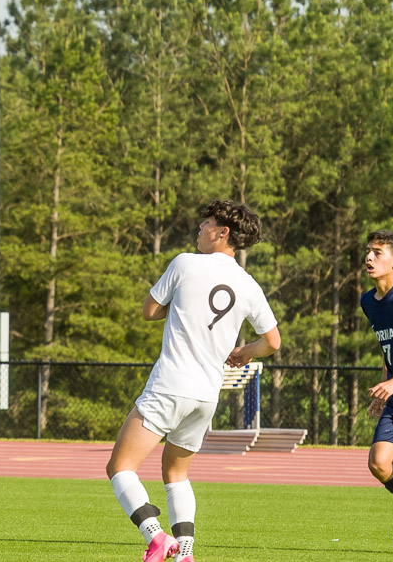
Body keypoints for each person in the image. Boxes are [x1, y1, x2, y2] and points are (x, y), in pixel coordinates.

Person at [105, 200, 281, 562]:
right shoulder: (248, 284)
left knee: (120, 467)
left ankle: (155, 536)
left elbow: (149, 311)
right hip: (205, 395)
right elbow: (273, 342)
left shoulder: (185, 262)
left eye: (206, 223)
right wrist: (246, 351)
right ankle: (185, 551)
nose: (200, 228)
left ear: (223, 233)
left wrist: (183, 305)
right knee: (176, 473)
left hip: (170, 384)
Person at [359, 230, 393, 544]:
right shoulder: (368, 301)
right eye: (368, 252)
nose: (370, 258)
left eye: (378, 252)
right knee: (378, 463)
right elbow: (386, 346)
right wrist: (385, 385)